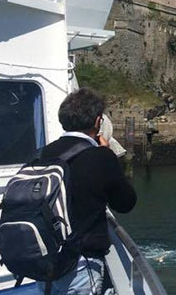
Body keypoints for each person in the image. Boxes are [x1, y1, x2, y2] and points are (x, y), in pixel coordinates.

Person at [37, 88, 137, 295]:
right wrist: (109, 155)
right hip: (80, 263)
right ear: (98, 121)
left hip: (47, 260)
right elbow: (126, 203)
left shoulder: (46, 153)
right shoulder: (100, 156)